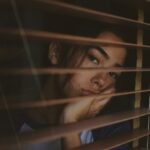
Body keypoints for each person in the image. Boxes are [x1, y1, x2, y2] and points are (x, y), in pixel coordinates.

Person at [21, 28, 129, 149]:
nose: (102, 80)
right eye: (94, 59)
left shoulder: (112, 130)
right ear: (56, 52)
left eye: (113, 74)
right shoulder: (10, 123)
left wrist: (70, 123)